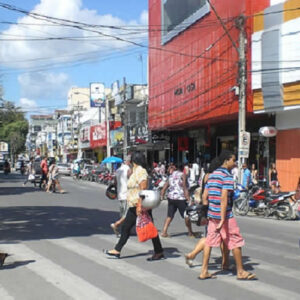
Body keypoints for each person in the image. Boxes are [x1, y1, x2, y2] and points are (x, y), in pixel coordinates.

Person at [199, 150, 256, 280]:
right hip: (225, 216)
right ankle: (240, 271)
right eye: (233, 160)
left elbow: (205, 196)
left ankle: (204, 271)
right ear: (226, 160)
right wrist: (223, 217)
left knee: (209, 241)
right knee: (235, 241)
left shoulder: (212, 175)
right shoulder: (227, 176)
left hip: (212, 214)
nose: (235, 163)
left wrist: (208, 210)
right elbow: (224, 197)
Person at [104, 151, 164, 261]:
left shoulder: (141, 171)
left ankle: (117, 250)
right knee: (133, 227)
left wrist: (139, 206)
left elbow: (143, 188)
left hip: (138, 204)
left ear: (134, 160)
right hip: (134, 204)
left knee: (127, 228)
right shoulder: (135, 171)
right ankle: (158, 251)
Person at [184, 158, 229, 268]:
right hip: (215, 211)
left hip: (210, 210)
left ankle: (225, 263)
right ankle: (192, 254)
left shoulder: (207, 176)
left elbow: (205, 196)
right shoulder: (214, 177)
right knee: (214, 238)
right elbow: (209, 196)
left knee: (219, 237)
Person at [160, 164, 194, 238]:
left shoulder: (171, 176)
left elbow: (165, 186)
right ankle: (190, 232)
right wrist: (188, 199)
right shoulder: (183, 175)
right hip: (180, 198)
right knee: (186, 216)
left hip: (171, 198)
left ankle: (164, 232)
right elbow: (185, 187)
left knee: (169, 215)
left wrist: (162, 195)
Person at [110, 156, 132, 237]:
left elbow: (115, 183)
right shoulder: (128, 170)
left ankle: (124, 231)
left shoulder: (118, 170)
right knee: (126, 215)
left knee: (122, 214)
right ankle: (116, 225)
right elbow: (131, 181)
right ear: (129, 162)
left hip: (120, 194)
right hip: (126, 194)